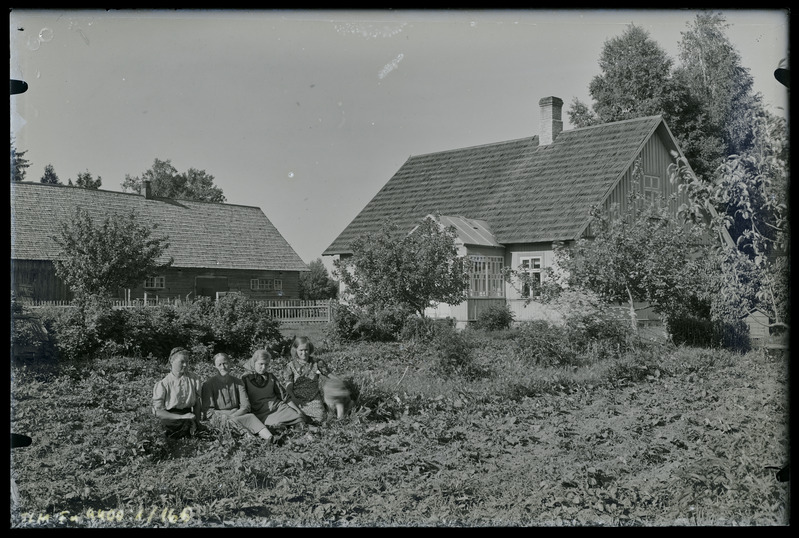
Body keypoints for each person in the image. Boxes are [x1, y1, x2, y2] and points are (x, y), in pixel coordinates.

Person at [202, 353, 275, 443]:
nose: (223, 367)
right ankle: (252, 440)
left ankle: (270, 438)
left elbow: (246, 406)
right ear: (215, 367)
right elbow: (208, 411)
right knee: (231, 421)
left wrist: (234, 414)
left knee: (250, 416)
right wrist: (226, 415)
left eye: (225, 363)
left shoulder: (238, 382)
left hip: (237, 414)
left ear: (230, 364)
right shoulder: (208, 384)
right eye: (219, 365)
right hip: (220, 418)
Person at [284, 336, 352, 423]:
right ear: (295, 350)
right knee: (297, 418)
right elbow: (288, 387)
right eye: (301, 350)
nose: (304, 353)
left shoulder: (317, 363)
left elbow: (329, 375)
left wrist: (341, 384)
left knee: (320, 419)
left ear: (310, 349)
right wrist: (294, 399)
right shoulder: (290, 366)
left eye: (306, 350)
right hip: (297, 399)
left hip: (314, 399)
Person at [241, 349, 307, 430]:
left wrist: (298, 410)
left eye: (266, 364)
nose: (264, 367)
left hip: (278, 408)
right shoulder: (245, 379)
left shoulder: (270, 377)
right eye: (261, 364)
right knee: (278, 426)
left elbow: (284, 396)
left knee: (299, 419)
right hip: (261, 412)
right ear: (254, 362)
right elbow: (243, 402)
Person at [152, 347, 203, 438]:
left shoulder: (194, 379)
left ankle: (192, 430)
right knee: (165, 424)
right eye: (182, 362)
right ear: (172, 361)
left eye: (187, 362)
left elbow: (197, 404)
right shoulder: (164, 383)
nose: (185, 365)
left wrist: (197, 421)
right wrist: (182, 417)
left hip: (189, 414)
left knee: (191, 422)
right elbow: (159, 412)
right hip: (171, 416)